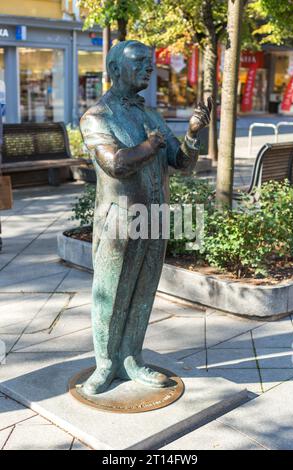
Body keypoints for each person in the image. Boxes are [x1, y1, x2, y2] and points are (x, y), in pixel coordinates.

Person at [80, 40, 211, 395]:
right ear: (114, 68)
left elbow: (181, 164)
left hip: (154, 218)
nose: (149, 68)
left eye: (150, 63)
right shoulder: (97, 117)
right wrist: (150, 145)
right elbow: (116, 164)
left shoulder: (152, 115)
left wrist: (193, 133)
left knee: (142, 292)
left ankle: (131, 358)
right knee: (112, 293)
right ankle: (105, 365)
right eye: (140, 62)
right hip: (119, 223)